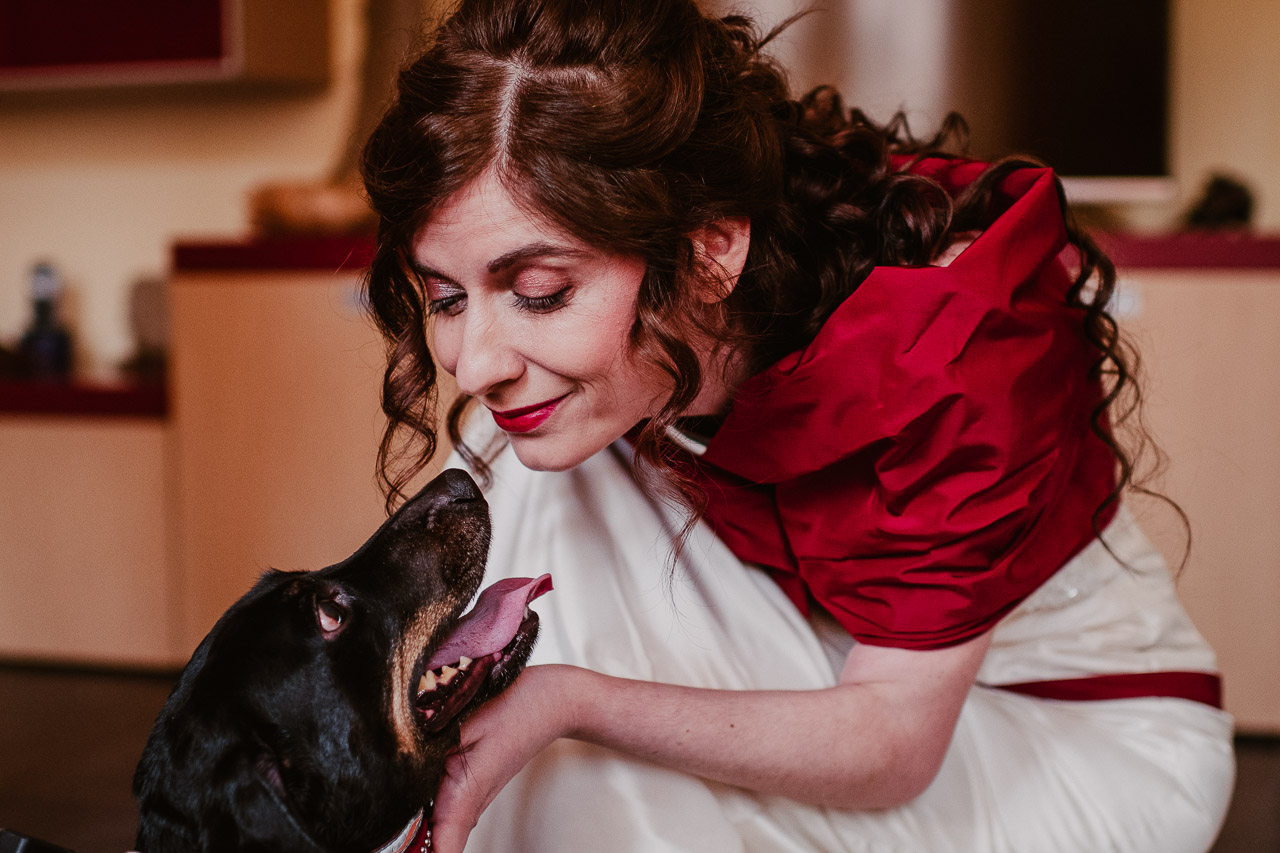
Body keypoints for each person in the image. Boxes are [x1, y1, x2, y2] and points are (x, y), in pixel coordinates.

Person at [360, 1, 1236, 850]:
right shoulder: (614, 369)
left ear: (711, 247)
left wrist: (570, 701)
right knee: (525, 456)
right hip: (824, 658)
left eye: (540, 292)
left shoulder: (950, 351)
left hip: (1062, 737)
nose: (474, 364)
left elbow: (893, 745)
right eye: (446, 296)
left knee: (583, 763)